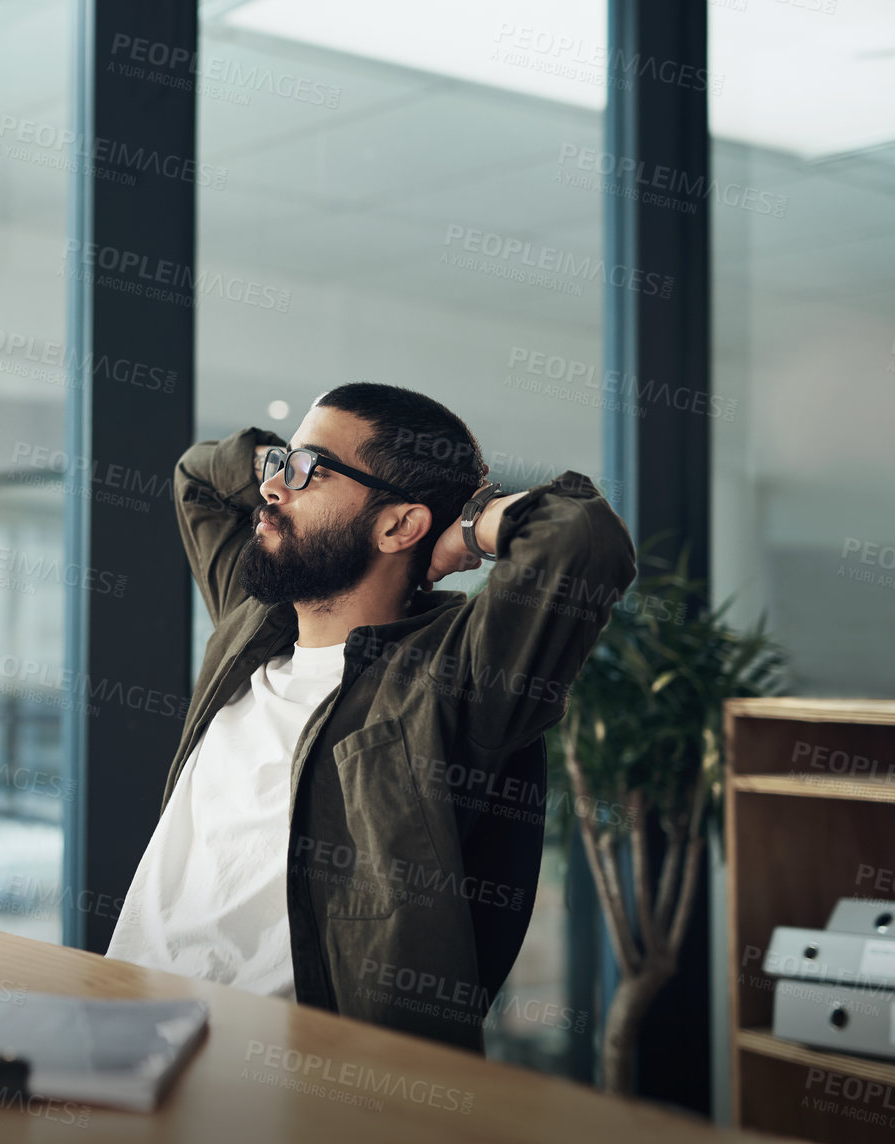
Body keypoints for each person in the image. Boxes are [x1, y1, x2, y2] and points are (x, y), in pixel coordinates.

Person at [105, 382, 636, 1052]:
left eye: (308, 473)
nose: (272, 489)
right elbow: (199, 477)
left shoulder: (452, 680)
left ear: (398, 526)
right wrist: (289, 459)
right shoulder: (252, 625)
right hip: (125, 1036)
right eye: (278, 468)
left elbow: (585, 540)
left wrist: (467, 523)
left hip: (301, 1086)